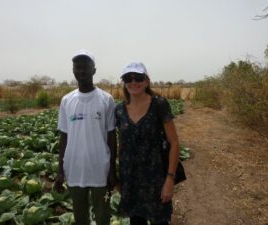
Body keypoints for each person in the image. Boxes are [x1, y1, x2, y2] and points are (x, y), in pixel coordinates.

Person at [54, 50, 117, 225]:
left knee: (103, 216)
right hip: (74, 169)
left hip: (100, 170)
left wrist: (112, 169)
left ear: (94, 70)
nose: (81, 71)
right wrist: (60, 170)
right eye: (77, 67)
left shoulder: (107, 99)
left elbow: (112, 137)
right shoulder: (67, 101)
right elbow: (64, 137)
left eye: (85, 67)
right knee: (80, 217)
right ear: (73, 70)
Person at [115, 62, 180, 225]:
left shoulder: (159, 104)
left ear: (146, 81)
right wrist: (119, 179)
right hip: (131, 180)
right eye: (128, 78)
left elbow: (174, 142)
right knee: (136, 221)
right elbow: (121, 144)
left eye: (138, 77)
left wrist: (170, 180)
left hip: (156, 179)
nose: (133, 82)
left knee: (160, 221)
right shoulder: (119, 110)